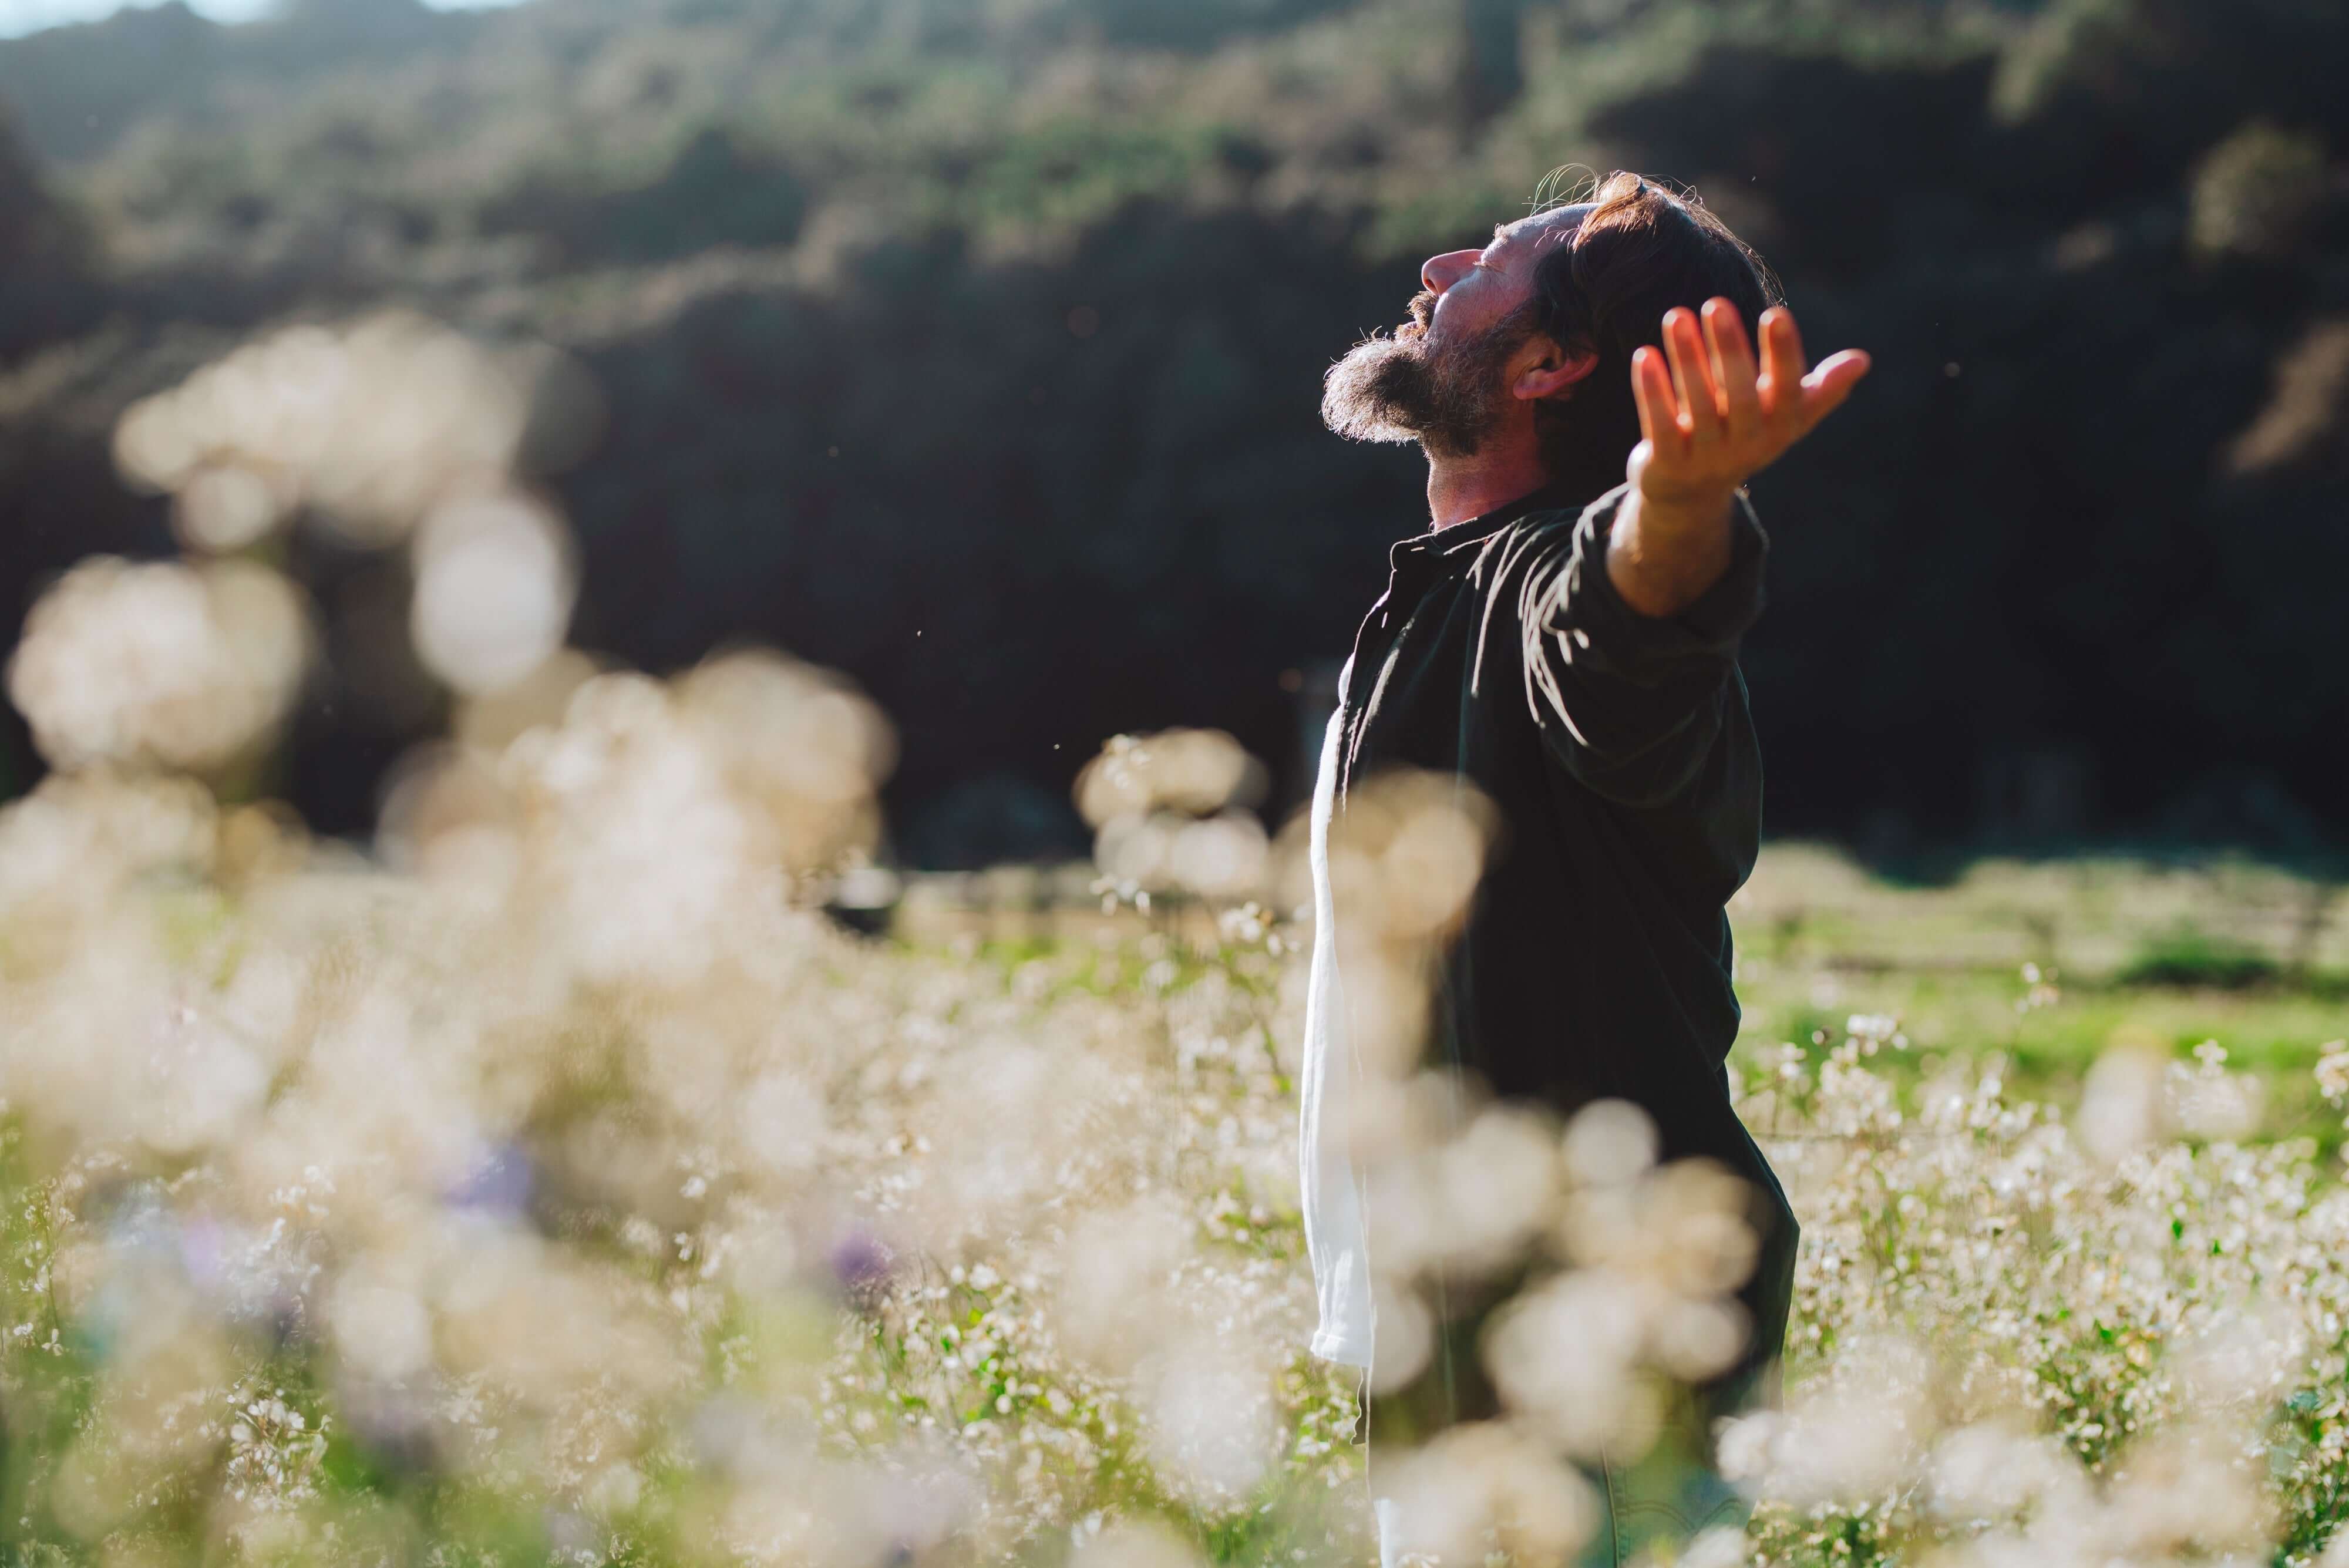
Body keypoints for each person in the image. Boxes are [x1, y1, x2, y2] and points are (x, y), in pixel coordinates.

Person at [1301, 170, 1871, 1562]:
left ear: (1548, 363)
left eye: (1494, 257)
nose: (1439, 266)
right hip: (1471, 1356)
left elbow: (1623, 640)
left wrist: (1676, 500)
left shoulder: (1554, 581)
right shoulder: (1442, 591)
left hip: (1601, 1360)